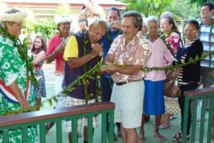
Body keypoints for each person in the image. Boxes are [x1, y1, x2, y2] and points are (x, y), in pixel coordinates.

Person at [102, 11, 151, 143]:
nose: (124, 29)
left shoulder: (144, 44)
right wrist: (107, 63)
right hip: (117, 87)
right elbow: (109, 57)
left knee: (130, 128)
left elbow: (134, 69)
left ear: (137, 27)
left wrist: (114, 67)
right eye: (123, 26)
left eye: (128, 27)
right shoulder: (118, 39)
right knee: (122, 124)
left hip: (132, 88)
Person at [62, 19, 107, 143]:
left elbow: (96, 68)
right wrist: (92, 55)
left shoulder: (99, 45)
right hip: (75, 90)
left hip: (92, 90)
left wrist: (105, 70)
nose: (98, 37)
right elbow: (71, 63)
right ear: (90, 27)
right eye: (96, 33)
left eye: (101, 35)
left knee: (90, 122)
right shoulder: (75, 39)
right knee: (73, 126)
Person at [0, 7, 38, 142]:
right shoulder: (4, 45)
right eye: (18, 24)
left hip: (23, 95)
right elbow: (9, 76)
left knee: (25, 130)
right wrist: (21, 99)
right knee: (16, 133)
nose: (21, 27)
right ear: (8, 25)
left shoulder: (14, 42)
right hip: (15, 99)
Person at [139, 16, 174, 142]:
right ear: (147, 28)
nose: (152, 30)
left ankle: (156, 132)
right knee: (143, 107)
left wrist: (172, 65)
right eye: (150, 27)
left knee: (159, 106)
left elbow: (169, 55)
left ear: (158, 27)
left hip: (159, 80)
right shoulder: (143, 42)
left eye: (155, 27)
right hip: (146, 79)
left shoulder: (161, 41)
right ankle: (141, 132)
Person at [172, 20, 203, 143]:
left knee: (185, 108)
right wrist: (174, 65)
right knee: (183, 107)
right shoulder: (184, 43)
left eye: (191, 30)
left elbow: (191, 61)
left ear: (197, 31)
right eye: (186, 30)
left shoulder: (197, 44)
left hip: (189, 82)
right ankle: (184, 130)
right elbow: (177, 60)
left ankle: (186, 133)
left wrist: (177, 64)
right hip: (181, 81)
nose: (188, 32)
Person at [45, 16, 72, 132]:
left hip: (75, 74)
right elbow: (48, 60)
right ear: (59, 27)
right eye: (63, 24)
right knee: (60, 99)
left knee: (73, 100)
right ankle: (50, 123)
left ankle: (71, 127)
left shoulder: (75, 38)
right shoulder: (54, 40)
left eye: (68, 23)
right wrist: (57, 51)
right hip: (60, 74)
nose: (66, 26)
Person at [100, 6, 121, 140]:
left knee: (120, 102)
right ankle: (108, 128)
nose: (112, 20)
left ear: (119, 18)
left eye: (115, 18)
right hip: (105, 74)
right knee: (107, 102)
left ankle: (119, 126)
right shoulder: (101, 33)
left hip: (121, 73)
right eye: (110, 18)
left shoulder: (124, 32)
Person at [159, 11, 182, 129]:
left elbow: (173, 56)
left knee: (169, 94)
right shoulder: (164, 36)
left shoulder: (174, 37)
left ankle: (166, 120)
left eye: (164, 23)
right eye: (161, 23)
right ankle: (163, 118)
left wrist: (170, 71)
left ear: (171, 25)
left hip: (171, 70)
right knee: (164, 94)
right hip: (163, 70)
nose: (162, 26)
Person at [199, 1, 214, 139]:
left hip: (211, 66)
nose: (202, 12)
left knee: (209, 90)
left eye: (205, 10)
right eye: (201, 10)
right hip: (198, 65)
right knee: (198, 90)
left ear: (211, 12)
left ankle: (209, 117)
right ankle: (200, 115)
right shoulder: (198, 25)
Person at [31, 35, 47, 110]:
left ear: (42, 43)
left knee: (37, 95)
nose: (36, 43)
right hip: (31, 73)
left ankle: (36, 114)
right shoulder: (33, 51)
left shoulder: (42, 52)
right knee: (32, 94)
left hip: (37, 74)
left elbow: (33, 62)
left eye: (38, 42)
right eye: (35, 41)